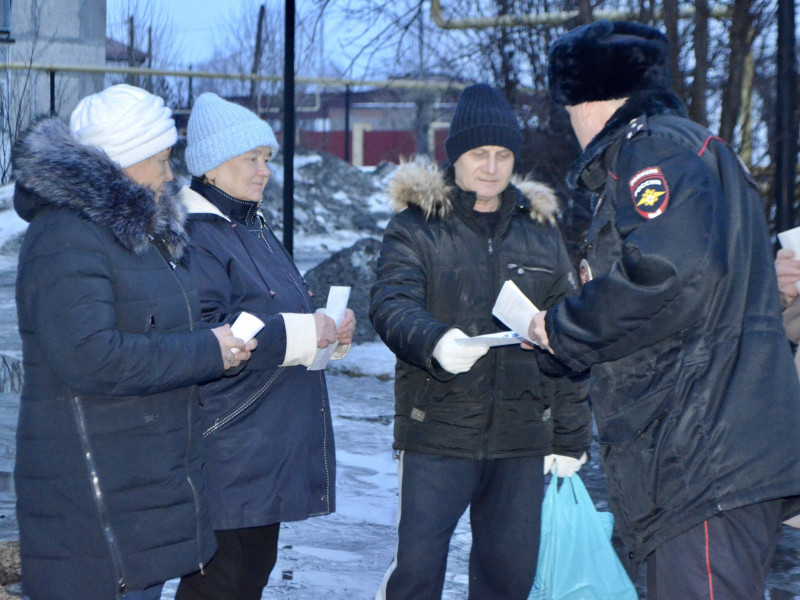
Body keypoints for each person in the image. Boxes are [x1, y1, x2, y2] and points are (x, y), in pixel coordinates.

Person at [527, 20, 800, 599]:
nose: (568, 123)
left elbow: (671, 275)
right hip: (706, 457)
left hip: (701, 458)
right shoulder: (693, 148)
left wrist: (562, 326)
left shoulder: (650, 150)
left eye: (567, 106)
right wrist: (569, 342)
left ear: (588, 100)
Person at [11, 84, 256, 600]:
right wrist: (206, 351)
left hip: (138, 492)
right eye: (162, 160)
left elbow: (156, 330)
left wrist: (214, 344)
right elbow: (89, 355)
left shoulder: (136, 233)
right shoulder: (65, 235)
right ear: (123, 160)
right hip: (93, 506)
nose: (170, 175)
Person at [369, 83, 590, 600]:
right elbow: (390, 304)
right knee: (416, 575)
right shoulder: (415, 228)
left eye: (503, 155)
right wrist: (435, 341)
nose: (491, 167)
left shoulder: (541, 233)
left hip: (520, 439)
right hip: (437, 433)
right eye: (478, 154)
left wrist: (571, 437)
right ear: (455, 157)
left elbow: (571, 335)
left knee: (506, 580)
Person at [174, 92, 356, 600]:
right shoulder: (195, 235)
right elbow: (211, 331)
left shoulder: (251, 227)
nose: (264, 172)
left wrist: (331, 331)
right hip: (228, 448)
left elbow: (283, 310)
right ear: (212, 165)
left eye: (268, 159)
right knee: (220, 582)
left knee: (248, 577)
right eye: (251, 159)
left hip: (265, 449)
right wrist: (303, 332)